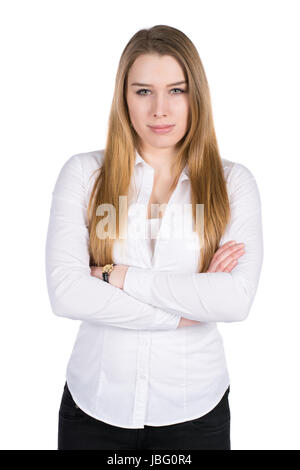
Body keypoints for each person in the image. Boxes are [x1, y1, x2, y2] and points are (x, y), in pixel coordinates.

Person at [45, 24, 264, 450]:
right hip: (95, 404)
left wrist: (116, 276)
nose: (159, 109)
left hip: (194, 410)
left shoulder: (234, 183)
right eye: (143, 91)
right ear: (123, 97)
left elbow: (234, 300)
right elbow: (67, 293)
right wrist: (185, 310)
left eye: (176, 90)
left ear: (195, 95)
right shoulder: (84, 174)